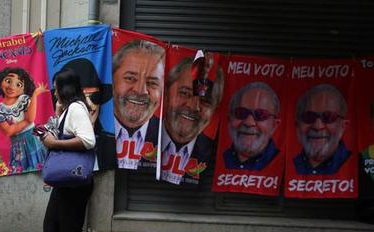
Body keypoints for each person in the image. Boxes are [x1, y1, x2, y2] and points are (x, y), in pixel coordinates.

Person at [29, 68, 125, 232]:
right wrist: (54, 122)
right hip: (66, 181)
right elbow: (62, 133)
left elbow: (88, 140)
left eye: (55, 88)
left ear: (64, 89)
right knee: (51, 227)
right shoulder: (69, 109)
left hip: (75, 183)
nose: (53, 92)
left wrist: (55, 144)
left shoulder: (76, 109)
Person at [161, 56, 224, 185]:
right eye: (184, 93)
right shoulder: (142, 134)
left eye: (205, 101)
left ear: (215, 109)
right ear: (166, 93)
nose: (193, 106)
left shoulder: (218, 156)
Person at [113, 39, 165, 169]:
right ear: (112, 80)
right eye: (130, 78)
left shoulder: (169, 138)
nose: (141, 91)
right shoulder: (92, 128)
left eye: (152, 83)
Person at [57, 58, 116, 170]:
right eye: (82, 97)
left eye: (93, 95)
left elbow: (87, 141)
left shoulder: (110, 143)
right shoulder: (72, 110)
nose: (89, 104)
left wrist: (54, 143)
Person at [0, 67, 47, 174]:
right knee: (21, 176)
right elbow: (9, 131)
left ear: (24, 88)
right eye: (8, 81)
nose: (12, 86)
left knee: (41, 171)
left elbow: (31, 118)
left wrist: (34, 95)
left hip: (34, 141)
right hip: (17, 147)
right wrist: (26, 122)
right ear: (0, 82)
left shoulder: (24, 99)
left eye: (19, 84)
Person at [293, 84, 350, 175]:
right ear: (297, 125)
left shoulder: (359, 165)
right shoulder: (286, 166)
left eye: (329, 117)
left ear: (343, 126)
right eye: (309, 116)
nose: (318, 126)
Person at [223, 82, 281, 170]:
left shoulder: (285, 166)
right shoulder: (214, 159)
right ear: (229, 119)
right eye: (240, 113)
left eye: (261, 114)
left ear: (274, 125)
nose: (249, 122)